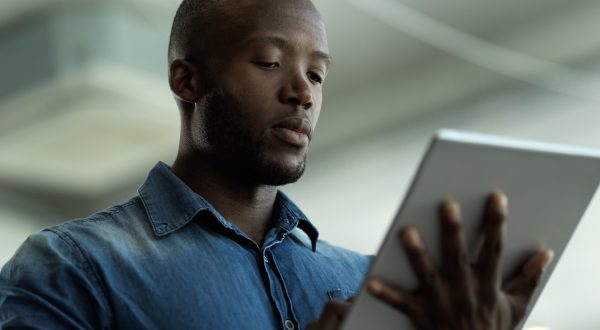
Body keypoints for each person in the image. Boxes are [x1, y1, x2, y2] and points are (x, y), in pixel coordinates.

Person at [0, 0, 553, 329]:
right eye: (269, 62)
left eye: (317, 74)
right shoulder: (71, 266)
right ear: (187, 80)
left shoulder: (373, 284)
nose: (302, 94)